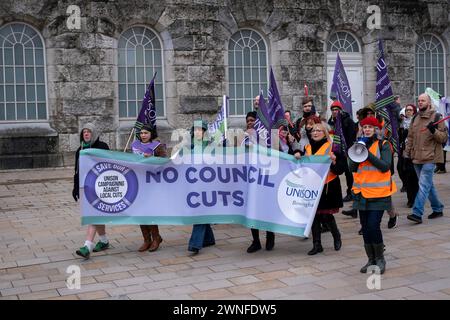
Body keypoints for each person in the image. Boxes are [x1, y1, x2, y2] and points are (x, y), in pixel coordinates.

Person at [349, 116, 397, 274]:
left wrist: (366, 154)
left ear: (376, 129)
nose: (367, 129)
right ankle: (371, 259)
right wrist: (357, 151)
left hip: (379, 193)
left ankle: (380, 259)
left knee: (373, 226)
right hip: (362, 193)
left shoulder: (383, 144)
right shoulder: (359, 144)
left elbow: (385, 166)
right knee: (365, 228)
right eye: (365, 127)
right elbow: (352, 168)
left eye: (371, 127)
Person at [247, 119, 302, 253]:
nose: (282, 132)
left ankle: (270, 235)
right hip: (257, 179)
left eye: (285, 130)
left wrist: (296, 150)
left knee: (268, 209)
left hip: (275, 181)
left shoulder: (289, 142)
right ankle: (256, 241)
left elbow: (298, 152)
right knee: (254, 209)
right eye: (280, 129)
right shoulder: (265, 141)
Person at [405, 93, 448, 224]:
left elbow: (444, 138)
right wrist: (407, 153)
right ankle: (438, 208)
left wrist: (434, 130)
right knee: (428, 185)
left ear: (429, 102)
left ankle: (417, 213)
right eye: (418, 100)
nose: (420, 102)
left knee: (423, 185)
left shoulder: (437, 117)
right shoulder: (415, 118)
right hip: (416, 157)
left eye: (423, 100)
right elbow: (411, 137)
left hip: (430, 157)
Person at [305, 122, 344, 255]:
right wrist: (298, 154)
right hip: (312, 187)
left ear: (325, 133)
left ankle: (336, 235)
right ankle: (317, 244)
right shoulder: (308, 147)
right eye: (313, 131)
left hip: (328, 186)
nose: (315, 133)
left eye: (319, 131)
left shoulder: (333, 147)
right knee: (314, 216)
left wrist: (333, 161)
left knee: (326, 215)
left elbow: (340, 169)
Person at [73, 123, 110, 259]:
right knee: (96, 214)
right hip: (87, 188)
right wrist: (75, 187)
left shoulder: (102, 147)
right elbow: (77, 171)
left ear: (93, 133)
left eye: (89, 132)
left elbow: (111, 164)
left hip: (101, 186)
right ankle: (104, 241)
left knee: (93, 214)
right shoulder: (80, 149)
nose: (86, 134)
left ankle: (87, 246)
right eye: (84, 132)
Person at [131, 124, 166, 252]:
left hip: (152, 182)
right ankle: (147, 239)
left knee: (149, 210)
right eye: (141, 133)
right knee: (140, 211)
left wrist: (152, 158)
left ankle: (156, 238)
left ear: (151, 134)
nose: (143, 135)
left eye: (146, 133)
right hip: (137, 181)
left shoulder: (157, 146)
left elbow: (164, 162)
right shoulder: (135, 146)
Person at [188, 120, 216, 254]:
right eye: (196, 130)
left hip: (207, 185)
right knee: (201, 212)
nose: (198, 132)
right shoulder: (189, 147)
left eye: (201, 130)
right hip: (193, 184)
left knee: (199, 213)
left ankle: (195, 244)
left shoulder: (212, 147)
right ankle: (208, 238)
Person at [327, 100, 357, 203]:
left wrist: (348, 150)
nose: (335, 112)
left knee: (349, 174)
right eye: (333, 110)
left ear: (340, 110)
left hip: (347, 151)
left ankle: (350, 193)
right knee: (336, 171)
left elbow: (351, 136)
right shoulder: (331, 122)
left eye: (337, 109)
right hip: (336, 151)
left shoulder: (348, 121)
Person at [398, 104, 419, 208]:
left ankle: (412, 199)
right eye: (407, 110)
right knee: (402, 172)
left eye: (410, 110)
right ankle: (410, 196)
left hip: (414, 154)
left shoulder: (416, 124)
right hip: (404, 153)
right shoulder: (402, 124)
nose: (408, 112)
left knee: (413, 176)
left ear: (414, 112)